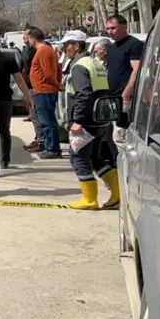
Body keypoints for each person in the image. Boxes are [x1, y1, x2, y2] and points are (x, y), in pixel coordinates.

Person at [59, 30, 119, 210]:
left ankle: (89, 199)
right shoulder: (95, 63)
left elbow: (83, 94)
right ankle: (117, 193)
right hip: (99, 119)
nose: (64, 49)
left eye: (66, 45)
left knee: (79, 159)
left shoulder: (79, 66)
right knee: (96, 158)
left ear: (76, 45)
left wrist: (77, 120)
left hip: (85, 122)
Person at [0, 31, 33, 177]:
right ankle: (5, 160)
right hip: (5, 99)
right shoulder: (8, 58)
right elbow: (19, 79)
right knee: (5, 131)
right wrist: (28, 97)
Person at [105, 15, 144, 142]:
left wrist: (127, 92)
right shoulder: (112, 47)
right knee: (114, 137)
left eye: (113, 28)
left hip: (125, 99)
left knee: (123, 137)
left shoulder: (134, 44)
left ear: (124, 26)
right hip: (113, 99)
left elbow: (137, 70)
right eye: (108, 28)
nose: (110, 31)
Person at [28, 28, 62, 159]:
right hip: (43, 90)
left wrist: (56, 84)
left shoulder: (43, 51)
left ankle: (52, 149)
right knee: (47, 121)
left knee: (47, 122)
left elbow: (48, 73)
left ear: (32, 38)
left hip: (44, 91)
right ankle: (51, 147)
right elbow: (58, 68)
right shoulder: (48, 49)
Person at [21, 29, 44, 152]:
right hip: (30, 85)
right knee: (33, 114)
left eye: (27, 36)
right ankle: (38, 138)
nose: (25, 37)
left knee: (36, 115)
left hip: (36, 86)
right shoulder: (27, 49)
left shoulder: (36, 50)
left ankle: (41, 140)